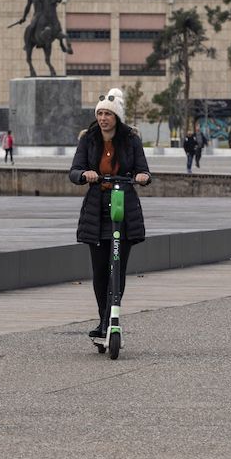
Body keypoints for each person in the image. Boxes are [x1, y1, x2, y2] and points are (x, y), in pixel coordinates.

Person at [68, 88, 150, 339]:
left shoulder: (131, 139)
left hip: (123, 207)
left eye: (108, 114)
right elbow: (74, 171)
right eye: (100, 113)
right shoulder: (88, 138)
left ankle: (111, 318)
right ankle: (104, 319)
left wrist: (142, 177)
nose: (103, 118)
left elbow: (144, 170)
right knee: (100, 270)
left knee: (118, 268)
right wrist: (85, 175)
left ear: (117, 117)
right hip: (97, 209)